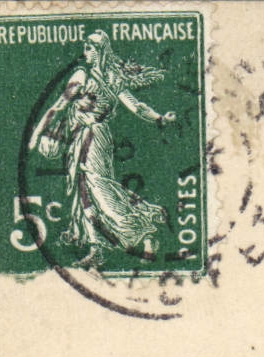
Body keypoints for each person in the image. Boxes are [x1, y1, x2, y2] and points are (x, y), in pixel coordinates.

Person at [27, 31, 178, 270]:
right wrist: (159, 117)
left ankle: (143, 231)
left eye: (88, 48)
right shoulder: (104, 77)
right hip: (85, 138)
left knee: (98, 188)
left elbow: (135, 106)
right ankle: (96, 249)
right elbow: (61, 105)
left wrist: (35, 136)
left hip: (92, 138)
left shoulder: (88, 76)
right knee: (84, 192)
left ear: (98, 51)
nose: (84, 53)